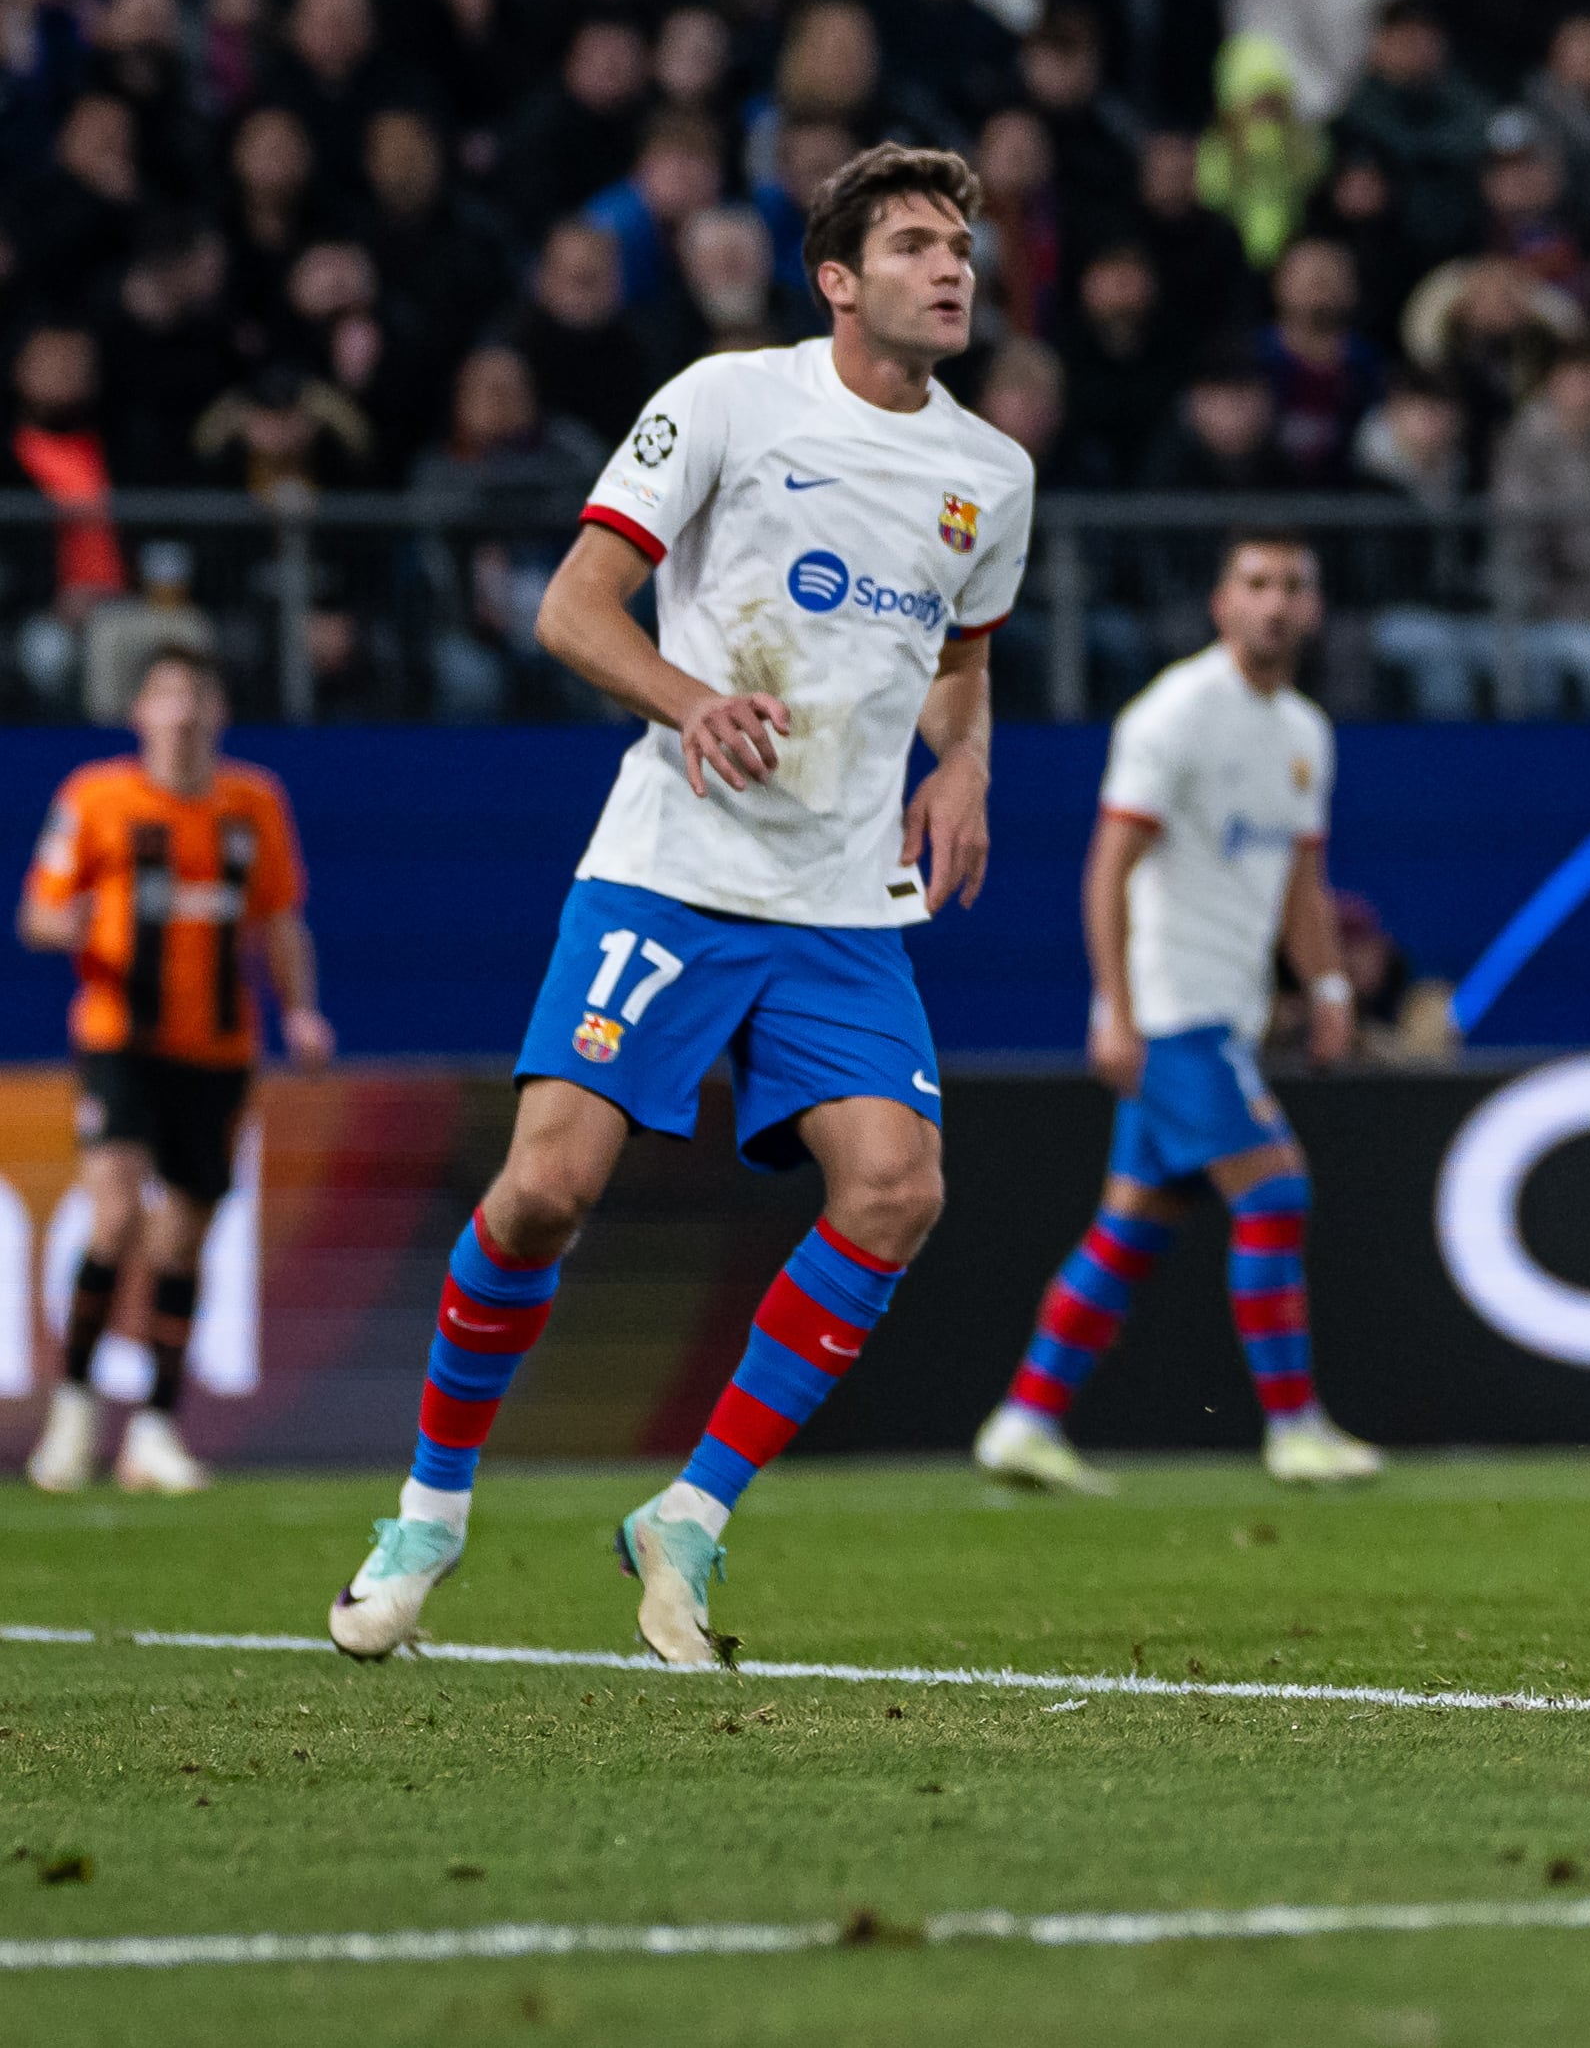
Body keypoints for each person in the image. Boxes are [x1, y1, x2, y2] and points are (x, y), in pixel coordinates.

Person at [331, 146, 1037, 1666]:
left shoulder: (995, 473)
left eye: (962, 243)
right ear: (839, 279)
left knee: (898, 1188)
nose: (952, 265)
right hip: (675, 866)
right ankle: (430, 1512)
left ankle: (691, 1514)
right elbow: (572, 605)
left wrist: (964, 765)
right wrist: (693, 695)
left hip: (845, 898)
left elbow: (967, 659)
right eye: (915, 242)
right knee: (542, 1193)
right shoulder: (726, 398)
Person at [973, 536, 1380, 1493]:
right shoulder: (1176, 714)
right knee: (1275, 1191)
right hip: (1171, 1007)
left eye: (1294, 585)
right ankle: (1295, 1429)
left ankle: (1026, 1420)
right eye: (1257, 584)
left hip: (1225, 1010)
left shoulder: (1304, 732)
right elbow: (1108, 865)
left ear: (1313, 610)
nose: (1276, 603)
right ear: (1219, 602)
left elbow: (1300, 880)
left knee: (1132, 1224)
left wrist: (1326, 986)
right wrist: (1113, 1008)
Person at [19, 647, 323, 1497]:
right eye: (167, 696)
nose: (183, 712)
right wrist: (67, 923)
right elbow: (37, 911)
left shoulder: (253, 803)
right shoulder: (95, 798)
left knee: (186, 1239)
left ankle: (153, 1429)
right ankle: (72, 1416)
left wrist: (300, 1009)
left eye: (197, 695)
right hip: (120, 1039)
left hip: (221, 1049)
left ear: (218, 711)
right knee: (114, 1214)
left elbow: (279, 918)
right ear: (141, 712)